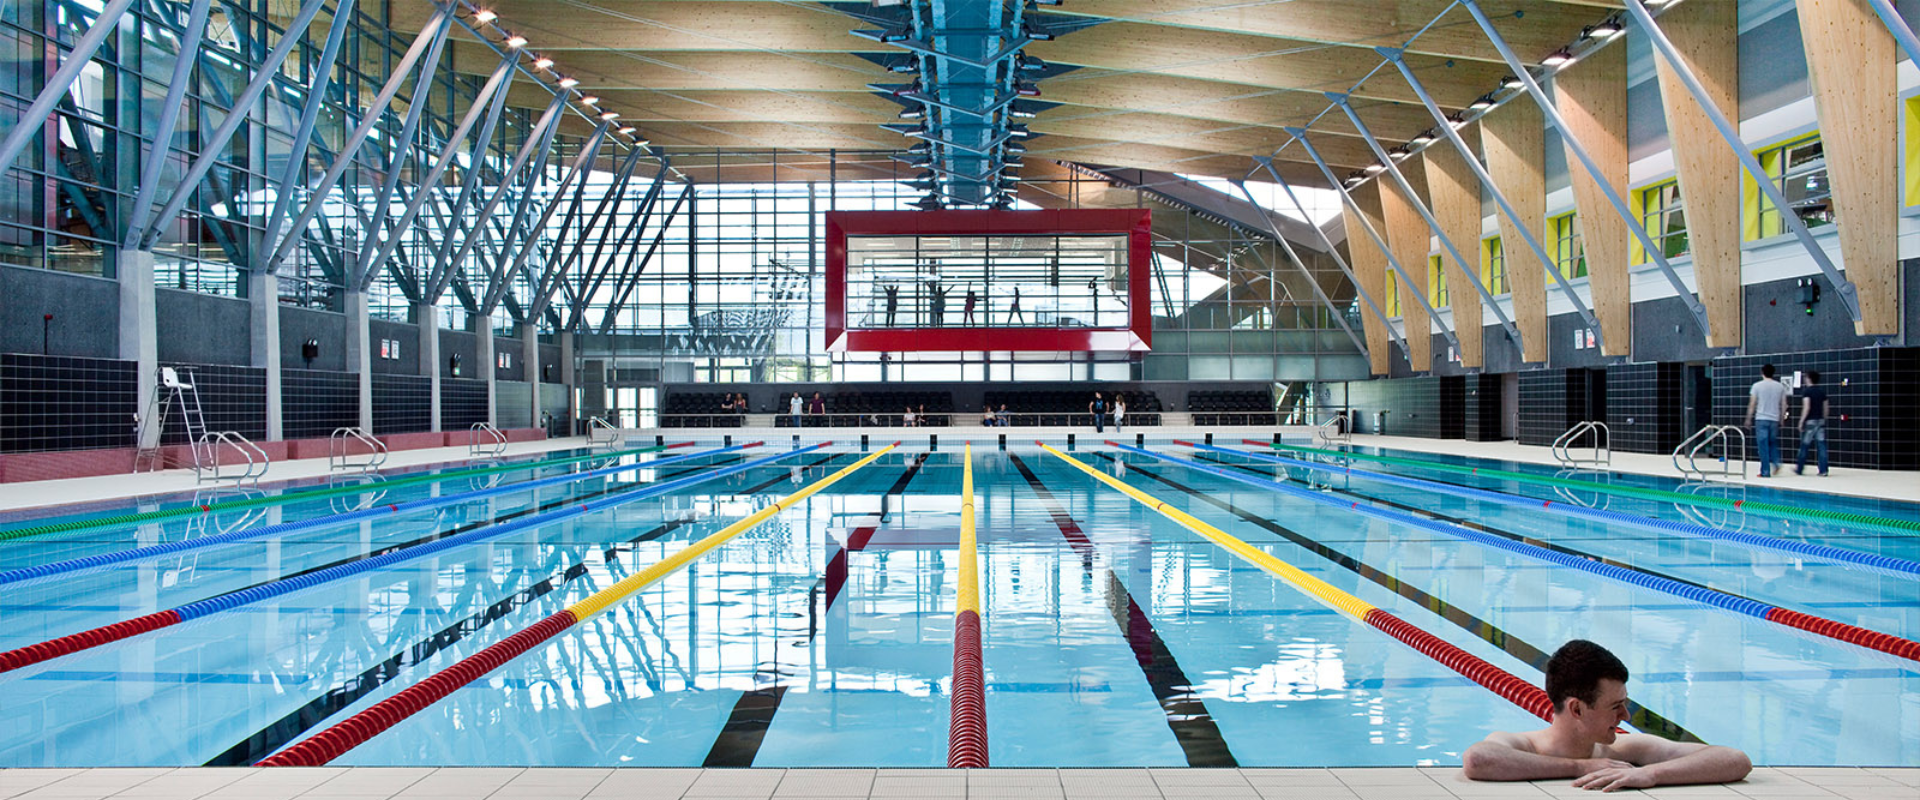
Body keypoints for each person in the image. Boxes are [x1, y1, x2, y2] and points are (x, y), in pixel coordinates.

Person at [1462, 640, 1750, 790]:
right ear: (1576, 708)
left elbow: (1735, 760)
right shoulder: (1520, 745)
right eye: (1615, 706)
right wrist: (1580, 767)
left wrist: (1652, 774)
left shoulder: (1625, 749)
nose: (1625, 715)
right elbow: (1478, 760)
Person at [1744, 364, 1789, 478]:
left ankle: (1765, 471)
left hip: (1761, 419)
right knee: (1772, 443)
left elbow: (1752, 403)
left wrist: (1748, 418)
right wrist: (1782, 418)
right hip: (1774, 419)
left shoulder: (1757, 386)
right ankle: (1776, 463)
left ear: (1762, 372)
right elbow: (1784, 404)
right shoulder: (1780, 387)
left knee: (1763, 445)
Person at [1794, 370, 1830, 477]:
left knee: (1804, 445)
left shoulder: (1807, 392)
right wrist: (1824, 419)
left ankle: (1800, 468)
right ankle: (1823, 470)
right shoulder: (1821, 392)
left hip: (1810, 421)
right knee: (1821, 445)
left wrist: (1801, 421)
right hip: (1820, 420)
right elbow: (1826, 408)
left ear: (1809, 379)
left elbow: (1806, 407)